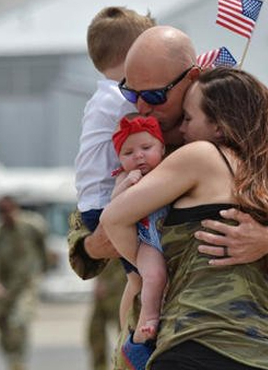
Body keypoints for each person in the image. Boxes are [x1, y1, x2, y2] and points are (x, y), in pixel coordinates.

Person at [67, 26, 268, 370]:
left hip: (221, 329)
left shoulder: (247, 114)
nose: (142, 106)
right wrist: (100, 242)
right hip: (149, 329)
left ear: (192, 77)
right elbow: (88, 224)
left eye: (156, 96)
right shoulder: (134, 134)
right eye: (130, 93)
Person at [101, 67, 268, 369]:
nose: (181, 129)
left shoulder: (201, 155)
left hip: (195, 342)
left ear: (219, 127)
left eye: (189, 118)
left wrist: (147, 267)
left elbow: (114, 219)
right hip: (261, 351)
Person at [73, 8, 155, 370]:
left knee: (136, 278)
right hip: (110, 203)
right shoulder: (124, 101)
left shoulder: (103, 98)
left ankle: (130, 338)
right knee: (147, 275)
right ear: (136, 52)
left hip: (94, 203)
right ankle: (135, 340)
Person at [110, 114, 167, 342]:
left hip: (172, 236)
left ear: (162, 148)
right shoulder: (125, 177)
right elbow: (113, 207)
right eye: (129, 153)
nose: (139, 155)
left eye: (146, 147)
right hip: (148, 240)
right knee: (152, 276)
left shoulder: (172, 168)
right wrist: (126, 184)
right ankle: (150, 317)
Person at [0, 196, 49, 370]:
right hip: (5, 287)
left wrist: (43, 269)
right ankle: (11, 357)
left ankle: (18, 362)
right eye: (1, 212)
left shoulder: (32, 226)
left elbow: (43, 248)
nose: (5, 215)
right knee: (2, 324)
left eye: (8, 211)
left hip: (26, 284)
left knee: (18, 321)